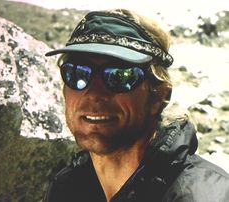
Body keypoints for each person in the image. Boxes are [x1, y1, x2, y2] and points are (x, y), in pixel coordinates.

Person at [44, 9, 229, 202]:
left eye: (119, 76)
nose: (94, 94)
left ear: (159, 97)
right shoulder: (66, 189)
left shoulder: (205, 195)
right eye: (77, 74)